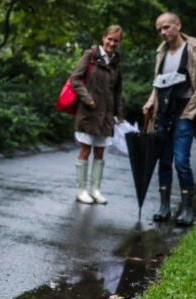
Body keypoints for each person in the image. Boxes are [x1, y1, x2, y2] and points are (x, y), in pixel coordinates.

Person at [142, 12, 196, 226]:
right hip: (164, 112)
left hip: (185, 111)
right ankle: (164, 207)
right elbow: (158, 82)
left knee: (181, 161)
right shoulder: (161, 52)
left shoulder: (195, 48)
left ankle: (187, 209)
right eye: (159, 30)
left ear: (178, 25)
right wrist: (151, 101)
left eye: (166, 27)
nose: (163, 32)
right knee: (163, 161)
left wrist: (188, 112)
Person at [69, 25, 124, 204]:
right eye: (110, 39)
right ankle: (81, 190)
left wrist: (119, 115)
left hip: (106, 115)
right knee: (85, 149)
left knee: (100, 152)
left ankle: (95, 190)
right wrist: (87, 99)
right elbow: (75, 79)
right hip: (88, 112)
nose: (112, 43)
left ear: (120, 43)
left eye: (116, 41)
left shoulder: (116, 62)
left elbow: (117, 91)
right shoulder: (90, 55)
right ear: (103, 38)